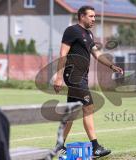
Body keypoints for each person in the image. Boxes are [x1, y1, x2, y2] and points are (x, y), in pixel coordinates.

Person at [53, 5, 123, 158]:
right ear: (82, 16)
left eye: (94, 16)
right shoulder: (72, 31)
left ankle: (59, 146)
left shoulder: (89, 34)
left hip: (81, 77)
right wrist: (58, 77)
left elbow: (97, 54)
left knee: (72, 112)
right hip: (74, 76)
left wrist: (112, 66)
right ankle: (95, 147)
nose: (94, 19)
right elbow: (62, 53)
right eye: (91, 16)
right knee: (89, 107)